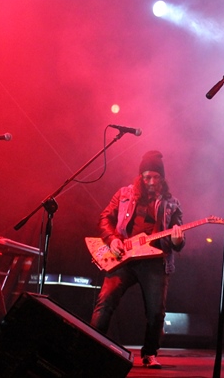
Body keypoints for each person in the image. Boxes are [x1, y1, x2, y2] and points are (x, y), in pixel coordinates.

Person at [90, 150, 184, 369]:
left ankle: (150, 354)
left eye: (156, 177)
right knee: (105, 301)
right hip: (123, 256)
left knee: (156, 312)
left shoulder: (172, 204)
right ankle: (91, 346)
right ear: (140, 176)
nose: (151, 182)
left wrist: (178, 241)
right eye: (147, 177)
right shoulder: (124, 193)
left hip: (154, 261)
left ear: (162, 178)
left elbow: (178, 241)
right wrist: (113, 239)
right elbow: (104, 218)